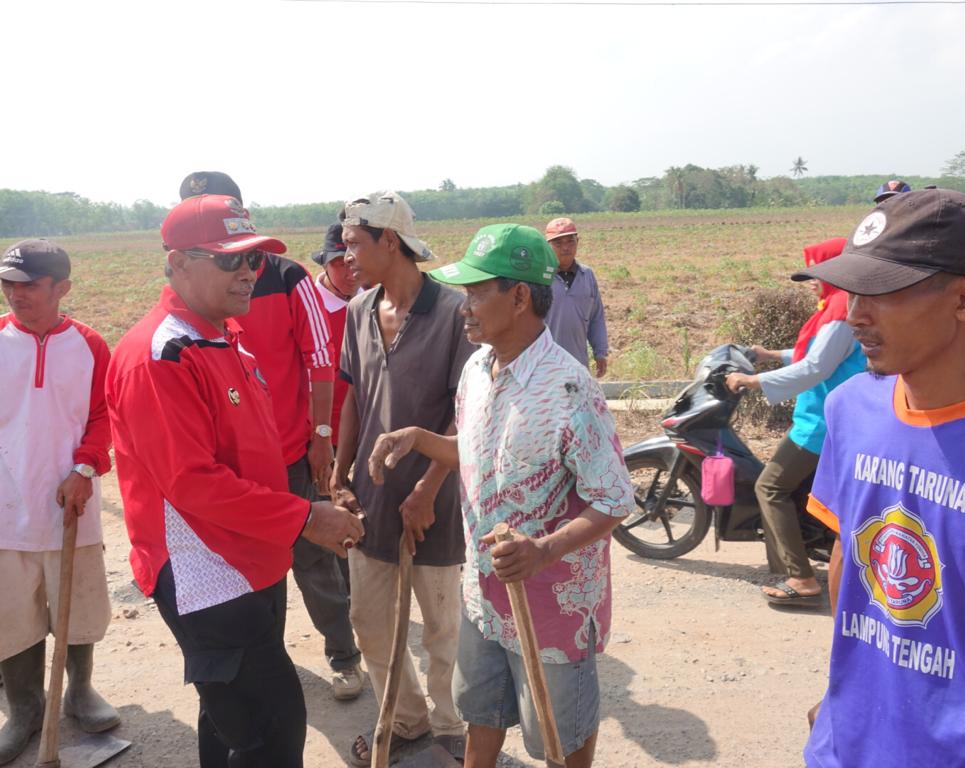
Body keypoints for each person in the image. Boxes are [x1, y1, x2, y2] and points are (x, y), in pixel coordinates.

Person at [106, 194, 364, 767]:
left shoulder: (224, 335)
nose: (248, 273)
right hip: (206, 571)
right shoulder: (162, 355)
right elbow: (193, 483)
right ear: (178, 263)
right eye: (230, 261)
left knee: (228, 722)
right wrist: (304, 516)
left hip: (251, 556)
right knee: (271, 727)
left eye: (252, 260)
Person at [367, 223, 634, 768]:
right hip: (484, 594)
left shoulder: (568, 387)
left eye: (476, 292)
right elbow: (479, 453)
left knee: (560, 735)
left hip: (553, 605)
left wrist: (544, 551)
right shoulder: (477, 370)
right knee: (481, 712)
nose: (463, 307)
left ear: (518, 298)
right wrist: (419, 439)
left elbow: (614, 498)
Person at [794, 189, 965, 766]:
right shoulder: (851, 409)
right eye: (853, 291)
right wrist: (842, 688)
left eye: (884, 292)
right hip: (849, 742)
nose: (855, 314)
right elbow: (849, 553)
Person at [179, 172, 363, 700]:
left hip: (286, 453)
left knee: (312, 560)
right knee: (242, 565)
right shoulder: (191, 290)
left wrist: (321, 433)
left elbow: (320, 358)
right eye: (195, 207)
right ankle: (266, 658)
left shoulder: (284, 275)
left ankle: (343, 655)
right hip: (225, 465)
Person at [330, 191, 474, 766]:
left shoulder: (454, 312)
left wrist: (427, 488)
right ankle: (406, 717)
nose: (346, 260)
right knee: (370, 622)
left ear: (391, 240)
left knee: (442, 628)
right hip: (371, 496)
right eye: (343, 247)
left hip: (433, 500)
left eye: (356, 245)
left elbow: (464, 413)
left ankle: (450, 726)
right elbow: (353, 399)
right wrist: (339, 475)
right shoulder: (358, 310)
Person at [0, 240, 120, 765]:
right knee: (11, 613)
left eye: (29, 284)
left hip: (71, 500)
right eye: (9, 283)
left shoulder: (90, 345)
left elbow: (104, 415)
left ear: (61, 288)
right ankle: (24, 708)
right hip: (5, 505)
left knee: (79, 601)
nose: (15, 294)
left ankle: (81, 691)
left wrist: (84, 466)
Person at [725, 238, 866, 605]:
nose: (814, 283)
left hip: (824, 423)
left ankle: (802, 579)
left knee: (769, 487)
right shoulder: (836, 305)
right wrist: (770, 354)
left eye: (818, 274)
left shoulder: (840, 311)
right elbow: (815, 354)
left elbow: (817, 366)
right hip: (822, 416)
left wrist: (754, 381)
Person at [544, 217, 609, 378]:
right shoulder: (539, 278)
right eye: (558, 243)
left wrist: (600, 352)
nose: (565, 248)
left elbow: (596, 317)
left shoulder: (587, 275)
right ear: (547, 246)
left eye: (570, 241)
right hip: (545, 364)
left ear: (577, 242)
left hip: (578, 362)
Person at [311, 223, 359, 444]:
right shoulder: (308, 308)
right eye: (340, 264)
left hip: (368, 424)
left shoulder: (377, 298)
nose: (351, 275)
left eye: (354, 263)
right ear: (324, 264)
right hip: (326, 433)